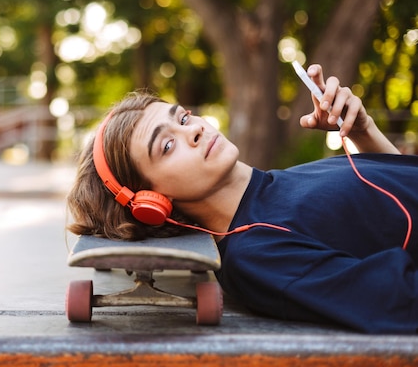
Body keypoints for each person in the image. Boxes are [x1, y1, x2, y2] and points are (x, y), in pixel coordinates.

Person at [66, 64, 418, 334]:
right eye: (167, 145)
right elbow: (399, 299)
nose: (195, 129)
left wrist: (364, 132)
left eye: (184, 117)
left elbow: (398, 201)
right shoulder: (257, 253)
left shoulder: (275, 185)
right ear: (150, 202)